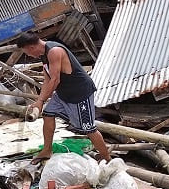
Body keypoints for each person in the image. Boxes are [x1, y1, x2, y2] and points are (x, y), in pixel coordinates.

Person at [15, 31, 111, 164]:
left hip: (80, 94)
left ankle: (107, 158)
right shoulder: (43, 55)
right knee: (48, 114)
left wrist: (41, 101)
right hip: (63, 94)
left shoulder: (54, 51)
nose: (29, 55)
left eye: (27, 52)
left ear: (31, 47)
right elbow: (47, 79)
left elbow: (55, 80)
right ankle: (47, 150)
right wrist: (39, 101)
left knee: (89, 128)